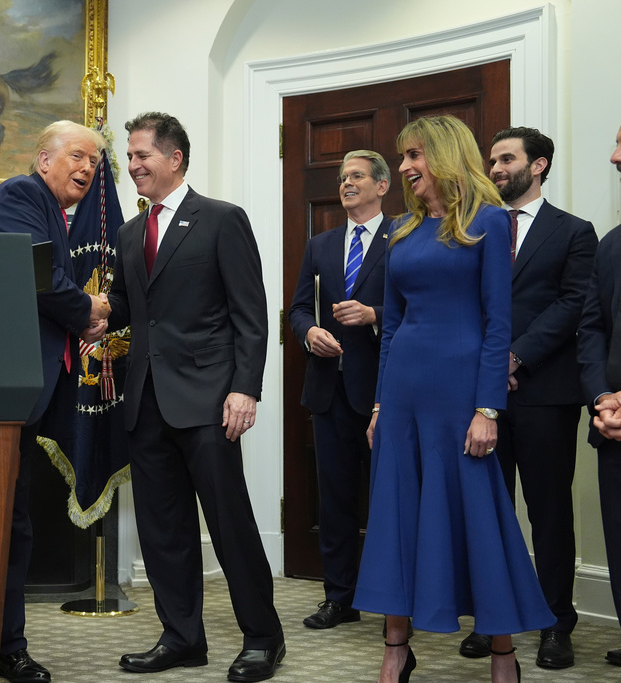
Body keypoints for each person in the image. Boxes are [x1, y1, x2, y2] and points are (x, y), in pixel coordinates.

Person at [353, 115, 554, 683]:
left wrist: (488, 407)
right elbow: (391, 328)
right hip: (405, 393)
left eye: (415, 156)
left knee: (480, 519)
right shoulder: (401, 231)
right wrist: (379, 407)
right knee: (396, 517)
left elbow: (498, 323)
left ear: (444, 157)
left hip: (461, 393)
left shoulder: (489, 223)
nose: (407, 168)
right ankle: (396, 649)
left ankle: (502, 654)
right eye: (404, 157)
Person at [107, 112, 284, 683]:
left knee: (229, 524)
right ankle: (182, 638)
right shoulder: (130, 233)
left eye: (141, 156)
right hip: (146, 402)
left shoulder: (221, 220)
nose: (132, 166)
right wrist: (85, 317)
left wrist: (244, 389)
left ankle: (262, 638)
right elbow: (131, 312)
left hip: (209, 400)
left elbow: (249, 317)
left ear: (174, 158)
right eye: (130, 157)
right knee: (163, 531)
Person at [0, 120, 110, 683]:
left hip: (21, 396)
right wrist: (90, 310)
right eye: (77, 156)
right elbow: (41, 277)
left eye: (95, 163)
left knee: (12, 522)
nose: (87, 169)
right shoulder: (21, 194)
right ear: (43, 158)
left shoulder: (54, 211)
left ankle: (6, 644)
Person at [452, 127, 597, 667]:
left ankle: (557, 622)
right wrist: (486, 367)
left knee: (549, 510)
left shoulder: (574, 232)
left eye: (506, 159)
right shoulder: (475, 230)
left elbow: (574, 304)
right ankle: (495, 620)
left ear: (538, 166)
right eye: (491, 160)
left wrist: (512, 357)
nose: (495, 169)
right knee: (488, 509)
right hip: (478, 395)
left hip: (544, 393)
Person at [289, 150, 392, 630]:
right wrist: (310, 332)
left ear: (382, 186)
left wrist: (374, 317)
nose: (346, 183)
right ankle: (340, 598)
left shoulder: (406, 237)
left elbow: (423, 310)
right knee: (334, 501)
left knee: (390, 499)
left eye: (356, 176)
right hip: (328, 391)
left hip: (384, 393)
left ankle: (395, 597)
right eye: (342, 177)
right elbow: (297, 309)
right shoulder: (321, 244)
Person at [577, 105, 621, 683]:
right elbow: (592, 328)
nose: (614, 157)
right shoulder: (614, 243)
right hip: (618, 434)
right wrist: (604, 398)